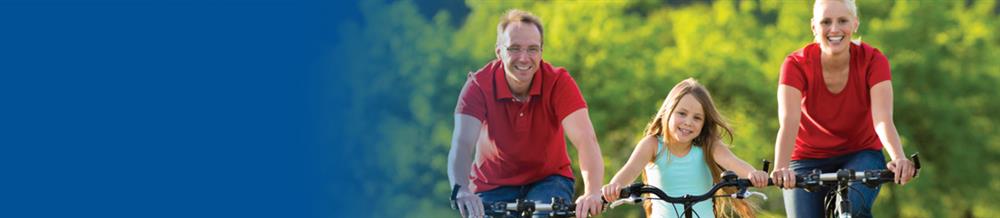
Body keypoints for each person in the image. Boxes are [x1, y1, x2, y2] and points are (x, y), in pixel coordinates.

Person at [447, 9, 605, 218]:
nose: (524, 58)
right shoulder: (478, 86)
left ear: (541, 51)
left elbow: (586, 140)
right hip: (492, 186)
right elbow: (462, 144)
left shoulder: (559, 82)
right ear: (499, 51)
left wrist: (592, 191)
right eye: (514, 48)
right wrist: (462, 189)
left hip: (549, 180)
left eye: (532, 49)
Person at [769, 0, 918, 217]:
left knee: (852, 205)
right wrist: (781, 167)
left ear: (855, 24)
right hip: (806, 157)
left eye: (842, 21)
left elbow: (882, 119)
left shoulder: (874, 60)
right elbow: (789, 120)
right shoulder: (795, 64)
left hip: (861, 152)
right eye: (826, 22)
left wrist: (898, 156)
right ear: (813, 27)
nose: (834, 29)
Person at [601, 78, 769, 218]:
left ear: (704, 124)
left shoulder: (708, 146)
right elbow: (629, 170)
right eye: (682, 113)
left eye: (697, 118)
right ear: (668, 112)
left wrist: (753, 174)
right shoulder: (652, 144)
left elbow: (732, 162)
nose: (688, 122)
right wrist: (613, 187)